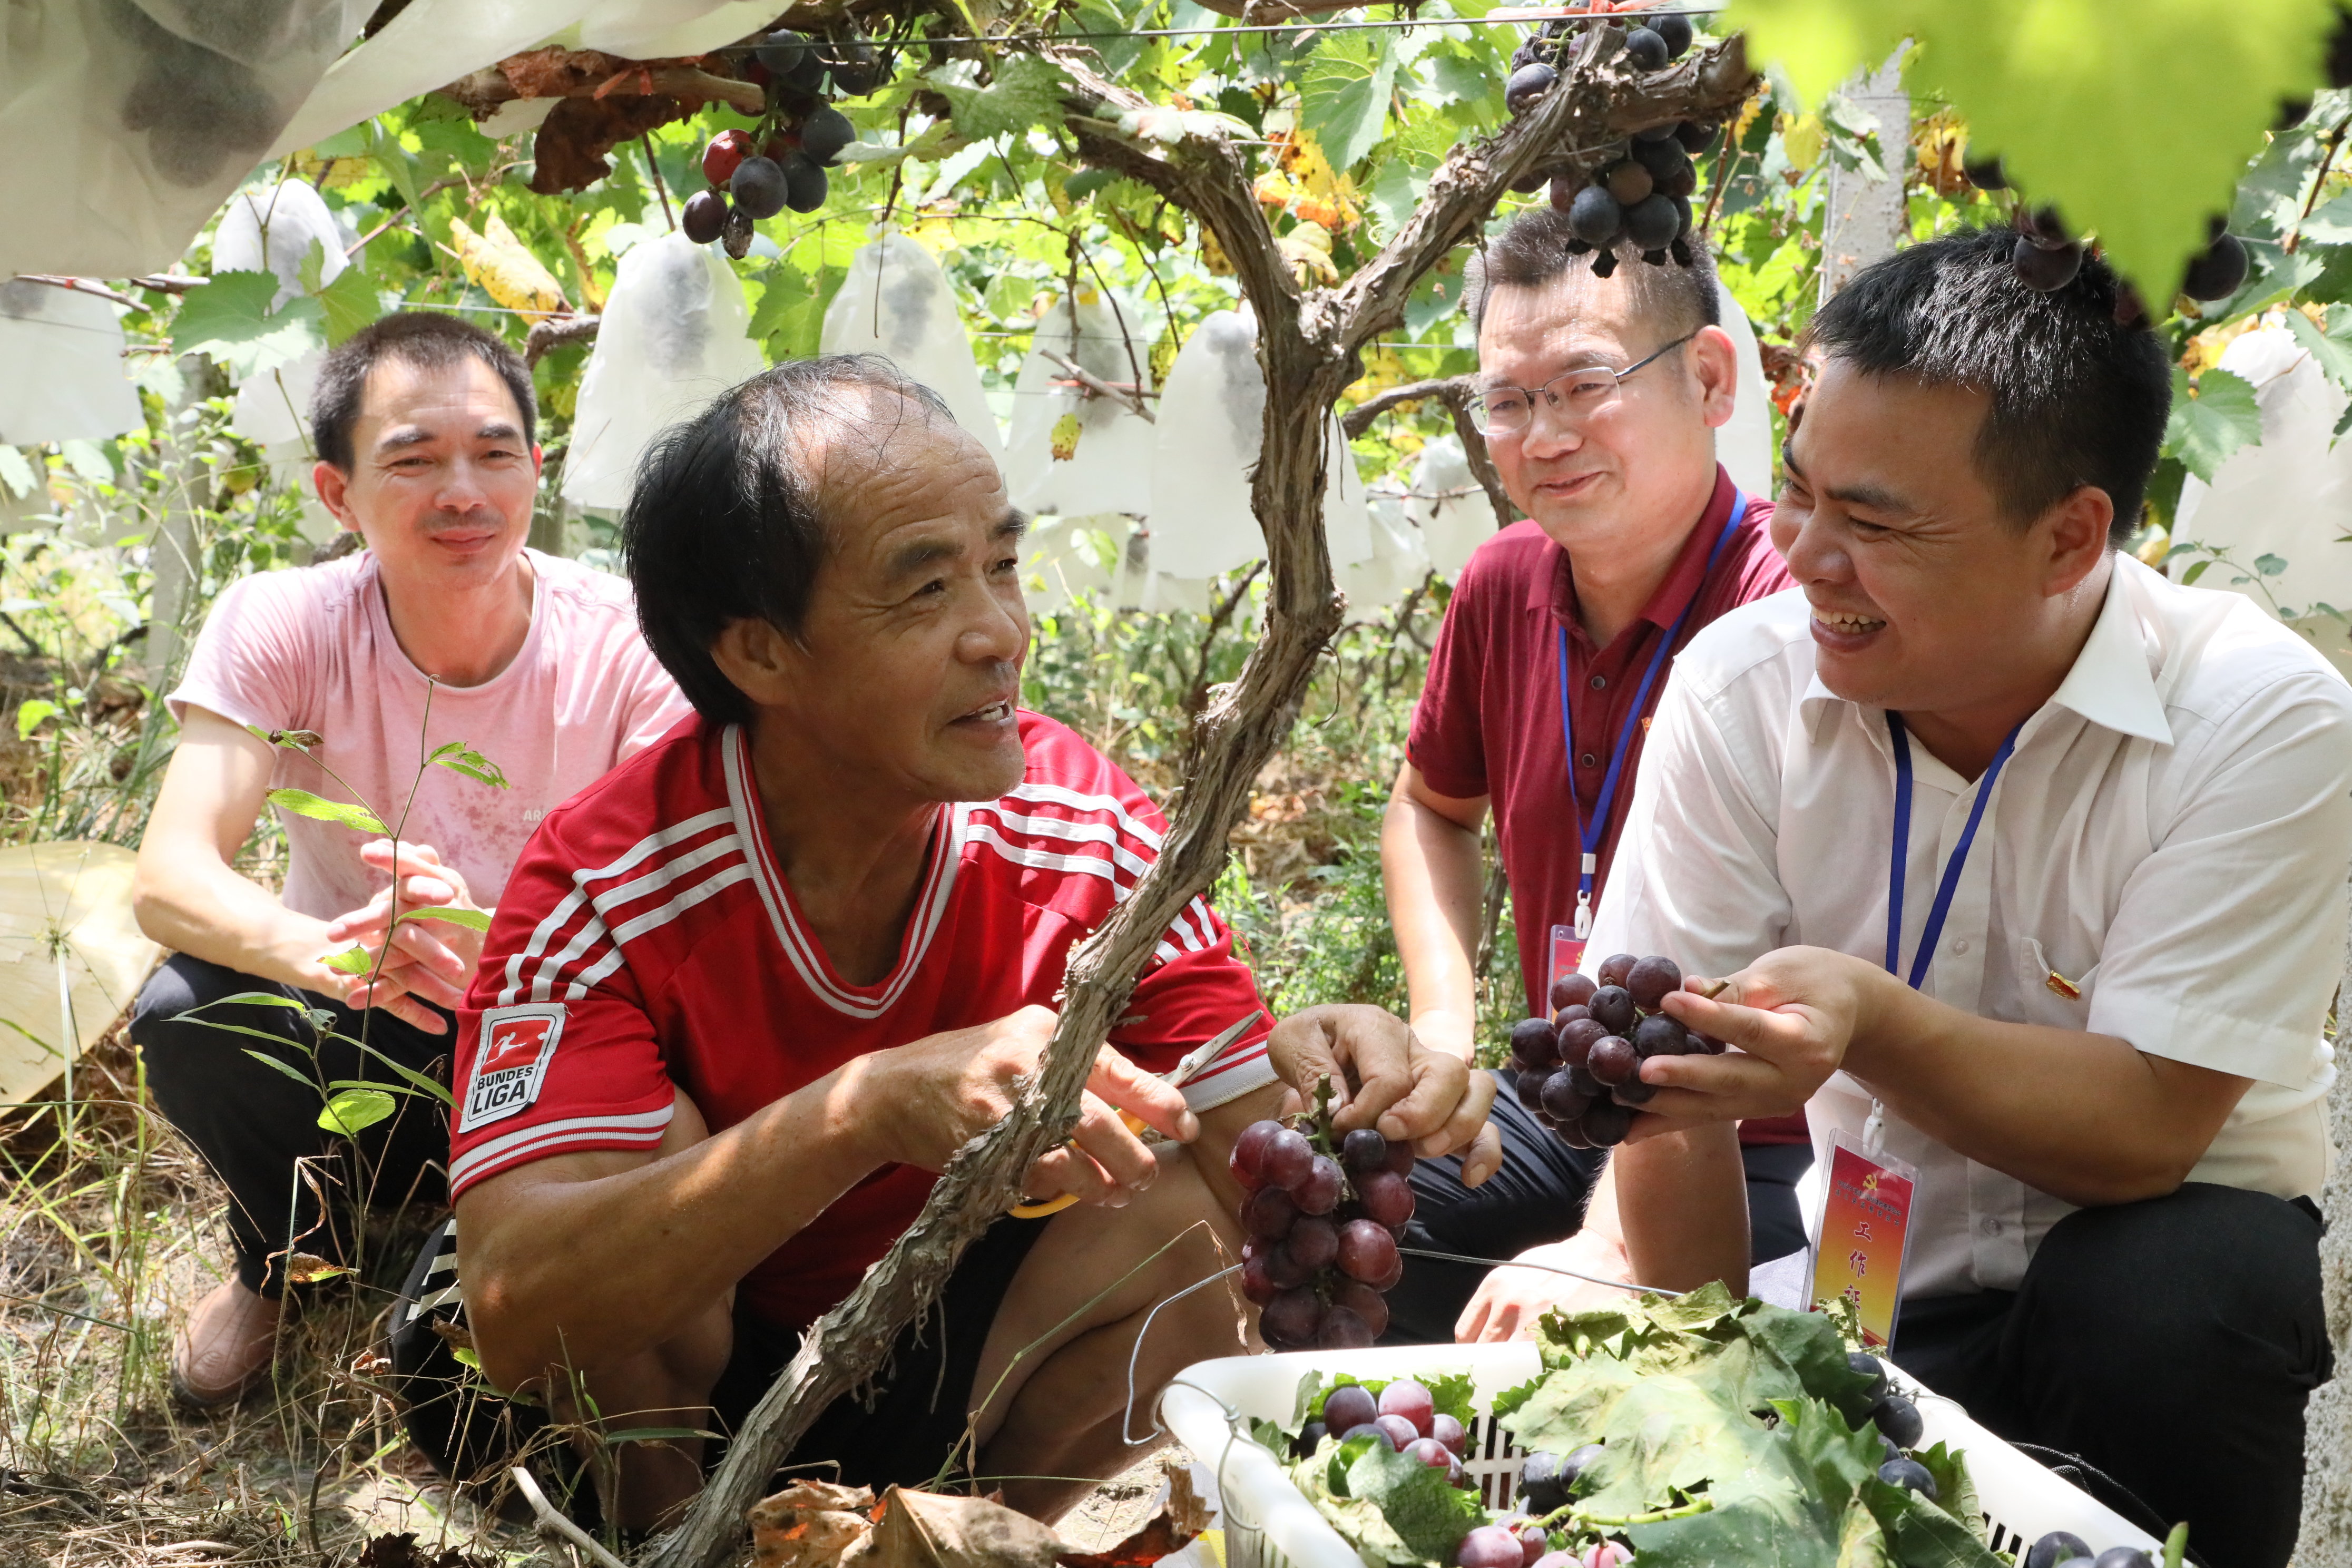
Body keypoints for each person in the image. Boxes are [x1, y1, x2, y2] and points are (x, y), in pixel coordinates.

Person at [436, 356, 1494, 1533]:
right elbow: (518, 1309)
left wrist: (1345, 1095)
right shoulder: (608, 889)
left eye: (1000, 565)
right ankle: (672, 1543)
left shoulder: (1079, 828)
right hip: (676, 1396)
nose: (999, 633)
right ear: (759, 653)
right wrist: (864, 1109)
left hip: (937, 1365)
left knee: (1179, 1222)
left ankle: (974, 1543)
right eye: (925, 590)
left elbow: (1248, 1141)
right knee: (643, 1158)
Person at [1588, 227, 2342, 1568]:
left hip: (2155, 1321)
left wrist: (1869, 1019)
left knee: (2179, 1282)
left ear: (2069, 539)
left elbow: (2148, 1132)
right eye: (1800, 495)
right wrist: (1708, 1412)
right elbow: (1660, 1095)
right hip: (1874, 1292)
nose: (1809, 558)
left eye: (1874, 525)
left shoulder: (2263, 721)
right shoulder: (1741, 692)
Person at [129, 312, 691, 1408]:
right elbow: (169, 878)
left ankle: (484, 1233)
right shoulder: (285, 620)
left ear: (539, 465)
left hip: (553, 1021)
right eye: (414, 461)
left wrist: (490, 944)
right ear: (338, 494)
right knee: (184, 1012)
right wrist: (343, 952)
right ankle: (286, 1260)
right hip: (357, 1008)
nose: (464, 495)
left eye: (494, 453)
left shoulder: (629, 639)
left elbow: (668, 907)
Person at [1378, 209, 1802, 1346]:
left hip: (1764, 1137)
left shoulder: (1794, 622)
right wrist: (1444, 1039)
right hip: (1566, 1096)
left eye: (1584, 385)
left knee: (1604, 1340)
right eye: (1509, 403)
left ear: (1710, 380)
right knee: (1357, 1218)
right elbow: (1429, 807)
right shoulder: (1505, 582)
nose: (1545, 436)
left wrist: (1607, 1241)